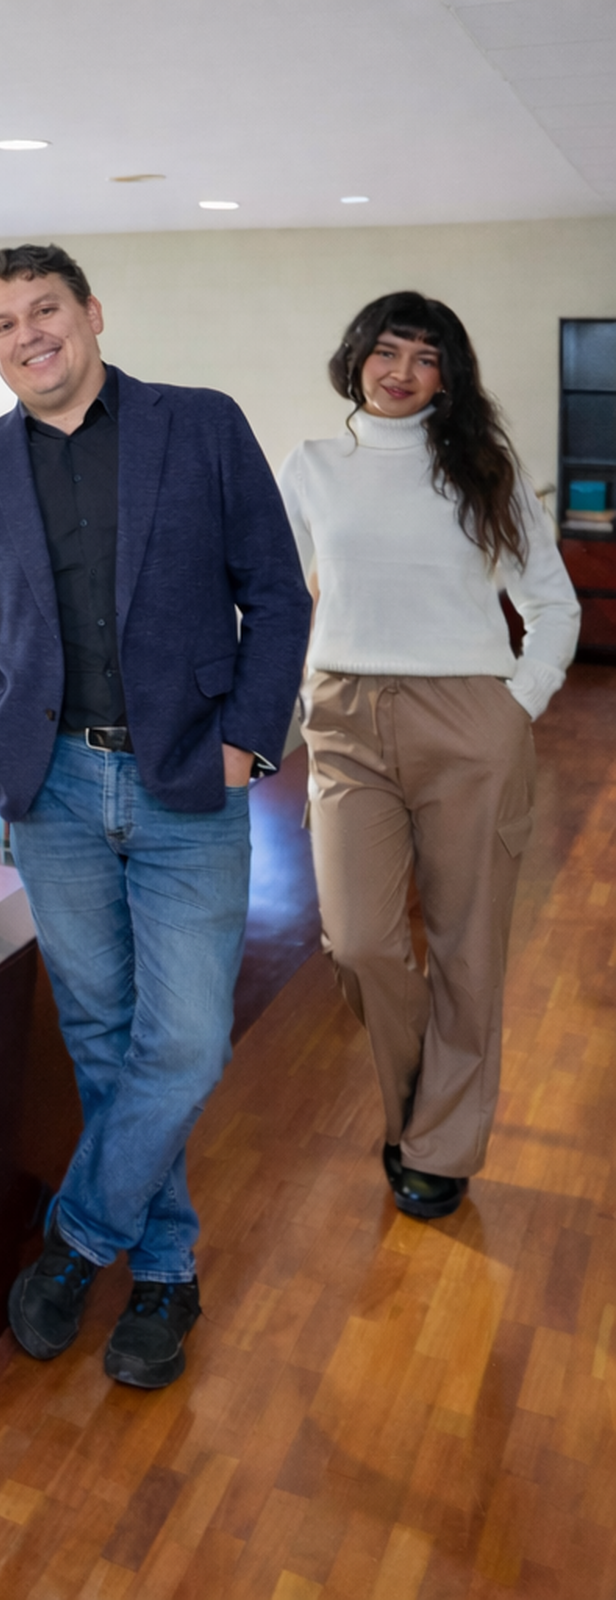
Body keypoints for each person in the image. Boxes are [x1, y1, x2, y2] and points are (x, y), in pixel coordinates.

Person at [0, 243, 311, 1388]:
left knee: (184, 1042)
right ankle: (164, 1274)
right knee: (102, 1038)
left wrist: (250, 736)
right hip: (50, 791)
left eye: (44, 309)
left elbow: (276, 594)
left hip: (188, 778)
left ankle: (80, 1238)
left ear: (90, 313)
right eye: (2, 323)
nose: (27, 334)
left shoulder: (199, 424)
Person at [278, 291, 579, 1221]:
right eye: (387, 350)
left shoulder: (483, 470)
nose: (401, 371)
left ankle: (440, 1144)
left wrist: (512, 710)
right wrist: (295, 699)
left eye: (425, 357)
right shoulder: (313, 466)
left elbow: (552, 604)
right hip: (344, 722)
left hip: (468, 720)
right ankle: (423, 1105)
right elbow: (280, 597)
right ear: (357, 355)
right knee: (361, 942)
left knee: (465, 946)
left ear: (448, 376)